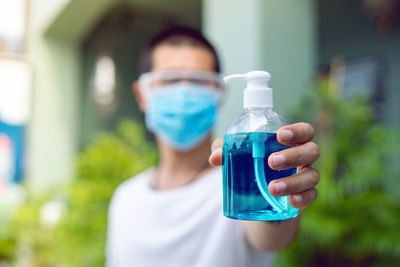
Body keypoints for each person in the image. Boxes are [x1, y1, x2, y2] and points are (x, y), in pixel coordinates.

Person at [106, 26, 320, 267]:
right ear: (142, 94)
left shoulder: (236, 183)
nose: (185, 92)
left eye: (199, 81)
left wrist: (281, 191)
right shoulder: (125, 199)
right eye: (170, 80)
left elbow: (271, 238)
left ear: (220, 93)